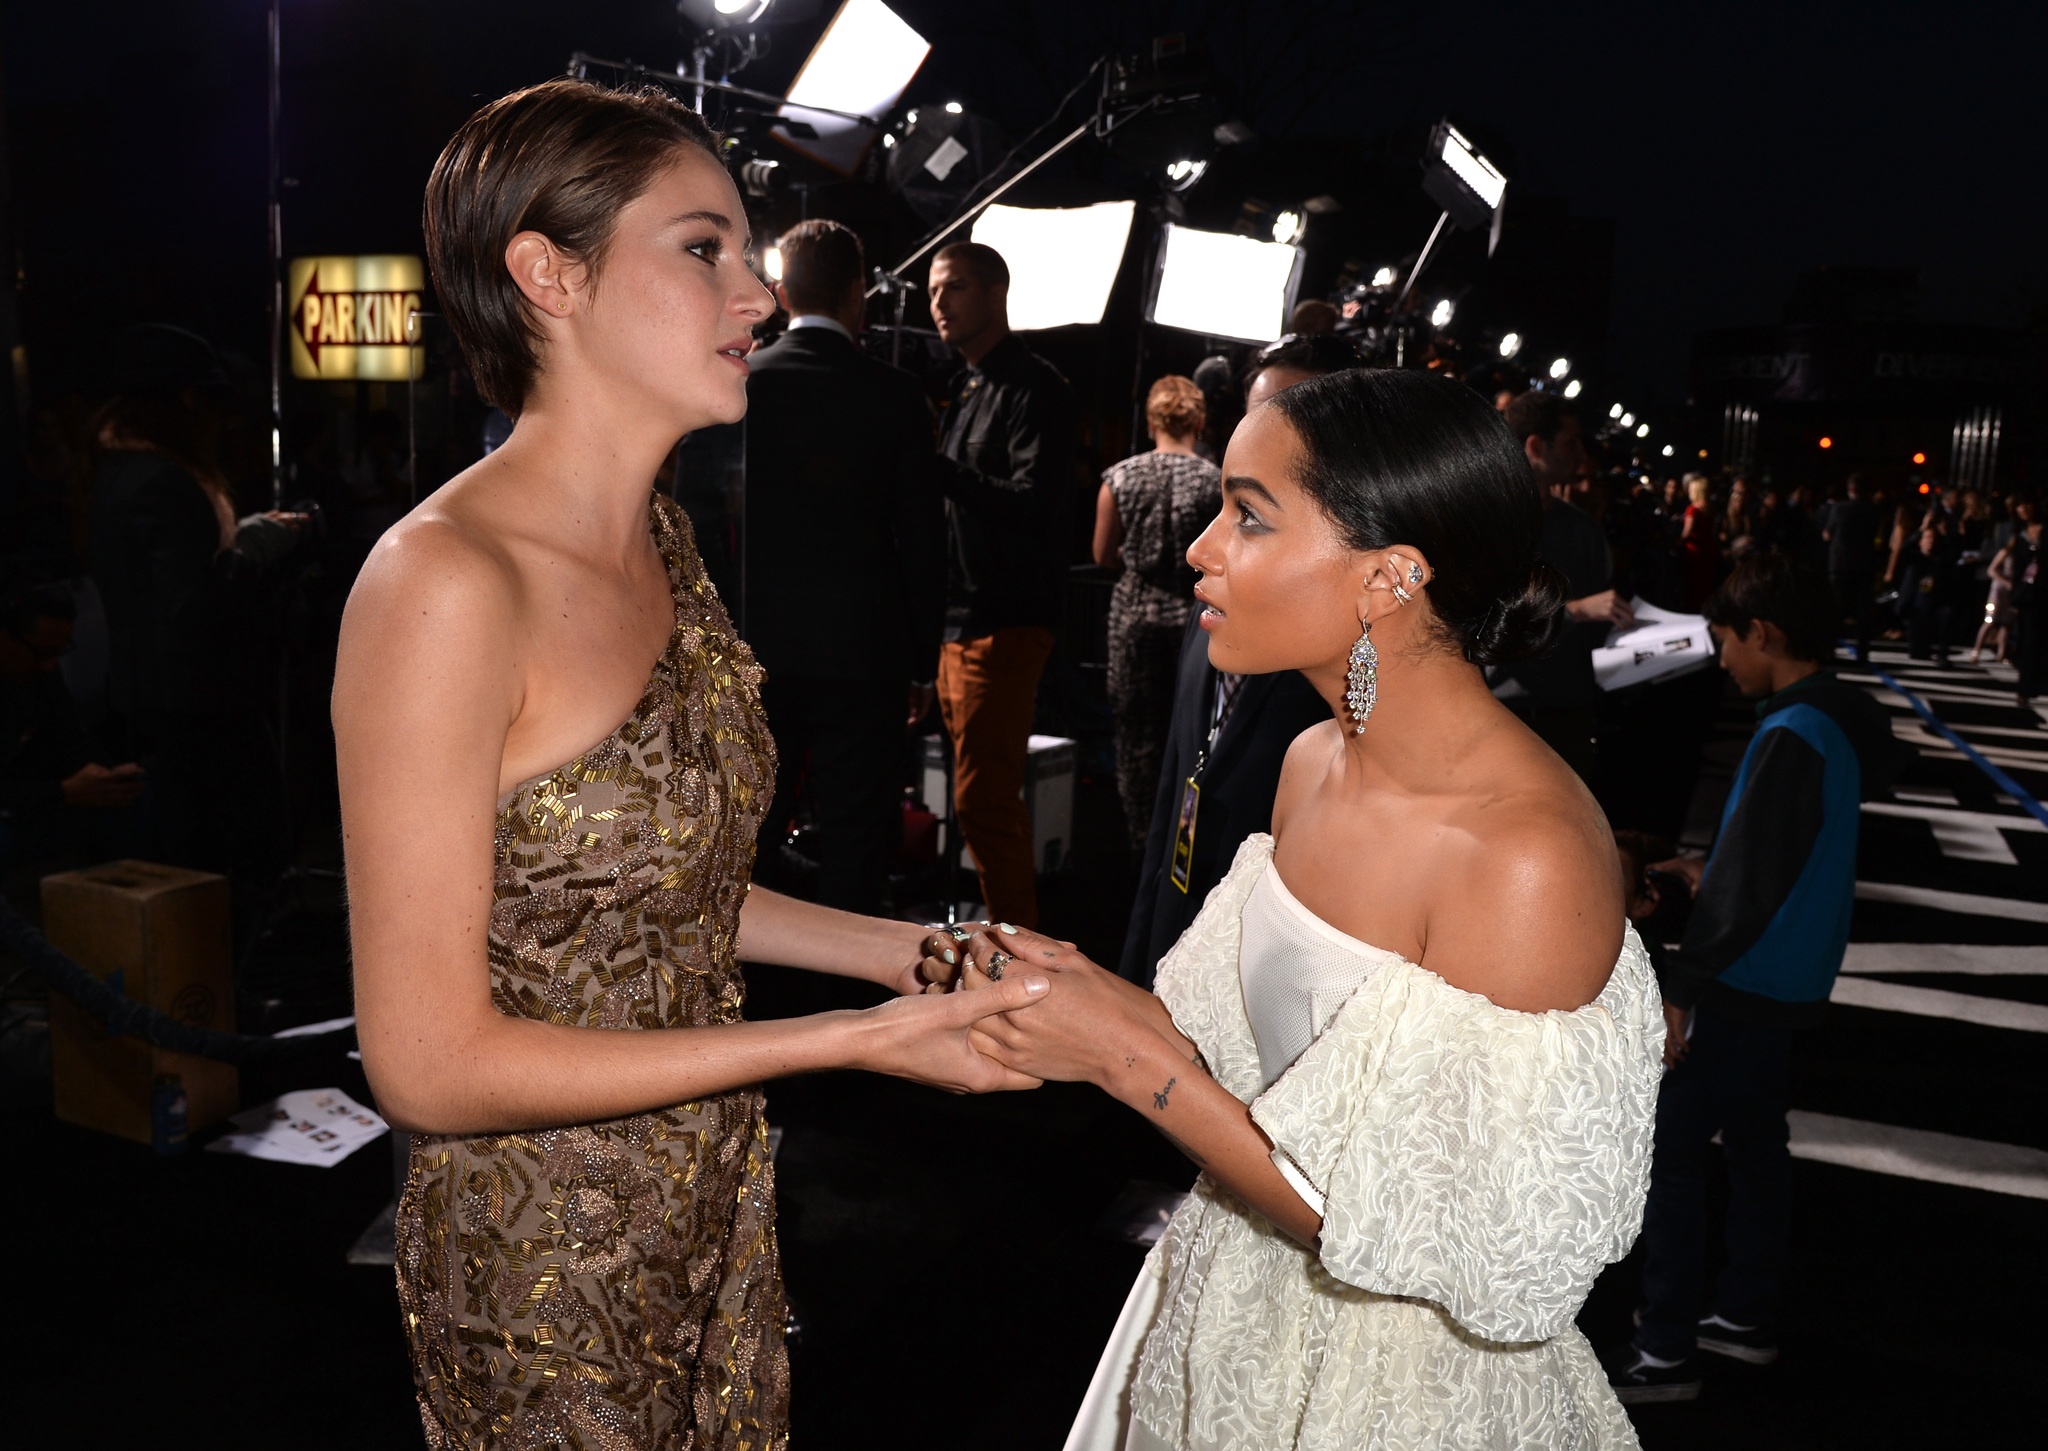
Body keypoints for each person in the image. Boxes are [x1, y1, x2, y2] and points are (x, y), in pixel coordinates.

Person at [334, 81, 1052, 1451]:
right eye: (703, 246)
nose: (760, 297)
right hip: (546, 1266)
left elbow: (663, 885)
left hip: (713, 1194)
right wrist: (861, 1037)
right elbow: (426, 1062)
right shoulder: (444, 583)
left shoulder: (662, 537)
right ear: (548, 273)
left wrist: (920, 955)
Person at [946, 369, 1665, 1449]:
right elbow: (1268, 1081)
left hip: (1396, 1395)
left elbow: (1450, 1235)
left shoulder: (1526, 859)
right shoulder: (1307, 758)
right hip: (1216, 1307)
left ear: (1387, 576)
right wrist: (1084, 995)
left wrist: (1119, 1057)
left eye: (1246, 515)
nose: (1199, 547)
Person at [1605, 555, 1905, 1403]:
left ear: (1764, 634)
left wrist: (1682, 981)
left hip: (1741, 980)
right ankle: (1742, 1314)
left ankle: (1663, 1347)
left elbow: (1752, 885)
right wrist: (1719, 861)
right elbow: (1781, 855)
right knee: (1757, 1149)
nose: (1722, 657)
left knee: (1671, 1157)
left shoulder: (1787, 733)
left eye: (1726, 640)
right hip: (1792, 978)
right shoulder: (1835, 720)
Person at [1116, 339, 1352, 985]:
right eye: (1256, 410)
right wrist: (1138, 970)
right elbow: (1173, 802)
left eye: (1293, 414)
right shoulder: (1207, 617)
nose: (1199, 551)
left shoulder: (1359, 666)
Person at [742, 218, 944, 918]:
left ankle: (741, 1002)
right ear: (860, 291)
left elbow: (705, 526)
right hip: (866, 653)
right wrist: (923, 661)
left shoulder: (742, 387)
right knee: (858, 842)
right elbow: (922, 537)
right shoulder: (896, 396)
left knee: (748, 834)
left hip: (753, 648)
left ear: (780, 290)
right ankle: (848, 1002)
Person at [90, 324, 309, 941]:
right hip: (203, 710)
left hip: (153, 703)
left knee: (192, 866)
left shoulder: (117, 472)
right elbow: (190, 612)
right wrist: (254, 552)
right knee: (233, 863)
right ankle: (226, 1003)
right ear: (185, 402)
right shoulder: (165, 481)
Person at [926, 239, 1080, 928]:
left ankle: (1019, 948)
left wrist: (938, 469)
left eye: (954, 287)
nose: (938, 303)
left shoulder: (1035, 386)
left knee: (983, 799)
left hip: (1007, 616)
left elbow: (1034, 504)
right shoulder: (967, 385)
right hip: (961, 617)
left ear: (996, 293)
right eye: (934, 289)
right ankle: (999, 934)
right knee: (972, 799)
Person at [1094, 376, 1222, 848]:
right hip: (1195, 620)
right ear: (1199, 421)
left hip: (1133, 620)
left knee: (1135, 741)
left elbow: (1103, 553)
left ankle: (1138, 849)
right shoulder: (1215, 481)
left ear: (1151, 421)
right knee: (1192, 736)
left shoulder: (1120, 477)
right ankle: (1183, 846)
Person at [1496, 391, 1633, 780]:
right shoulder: (1485, 525)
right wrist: (1577, 610)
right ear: (1536, 446)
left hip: (1570, 718)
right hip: (1501, 715)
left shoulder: (1583, 530)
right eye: (1570, 443)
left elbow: (1603, 623)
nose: (1580, 454)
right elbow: (1486, 620)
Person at [1817, 473, 1878, 656]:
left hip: (1840, 565)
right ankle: (1863, 650)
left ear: (1850, 489)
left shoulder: (1839, 509)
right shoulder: (1874, 510)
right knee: (1863, 610)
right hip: (1864, 564)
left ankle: (1830, 648)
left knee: (1837, 609)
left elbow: (1827, 534)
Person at [2009, 501, 2045, 704]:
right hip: (2026, 595)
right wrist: (2015, 595)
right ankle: (2024, 687)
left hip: (2043, 592)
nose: (2023, 509)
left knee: (2039, 642)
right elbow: (2017, 567)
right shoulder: (2019, 534)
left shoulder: (2043, 531)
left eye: (2026, 505)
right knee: (2027, 641)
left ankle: (2034, 684)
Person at [1679, 472, 1719, 608]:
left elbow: (1687, 532)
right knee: (1705, 585)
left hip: (1694, 552)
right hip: (1708, 549)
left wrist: (1677, 542)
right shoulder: (1709, 508)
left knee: (1693, 586)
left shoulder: (1692, 509)